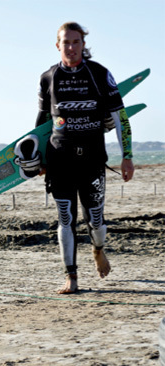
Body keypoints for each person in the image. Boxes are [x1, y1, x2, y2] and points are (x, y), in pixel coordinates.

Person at [23, 22, 134, 294]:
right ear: (57, 45)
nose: (71, 47)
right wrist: (37, 157)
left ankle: (98, 250)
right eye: (66, 42)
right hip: (59, 159)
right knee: (65, 218)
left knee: (95, 219)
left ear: (83, 44)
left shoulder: (99, 74)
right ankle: (70, 277)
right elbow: (41, 121)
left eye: (76, 42)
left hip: (93, 160)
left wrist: (127, 156)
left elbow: (120, 118)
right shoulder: (48, 78)